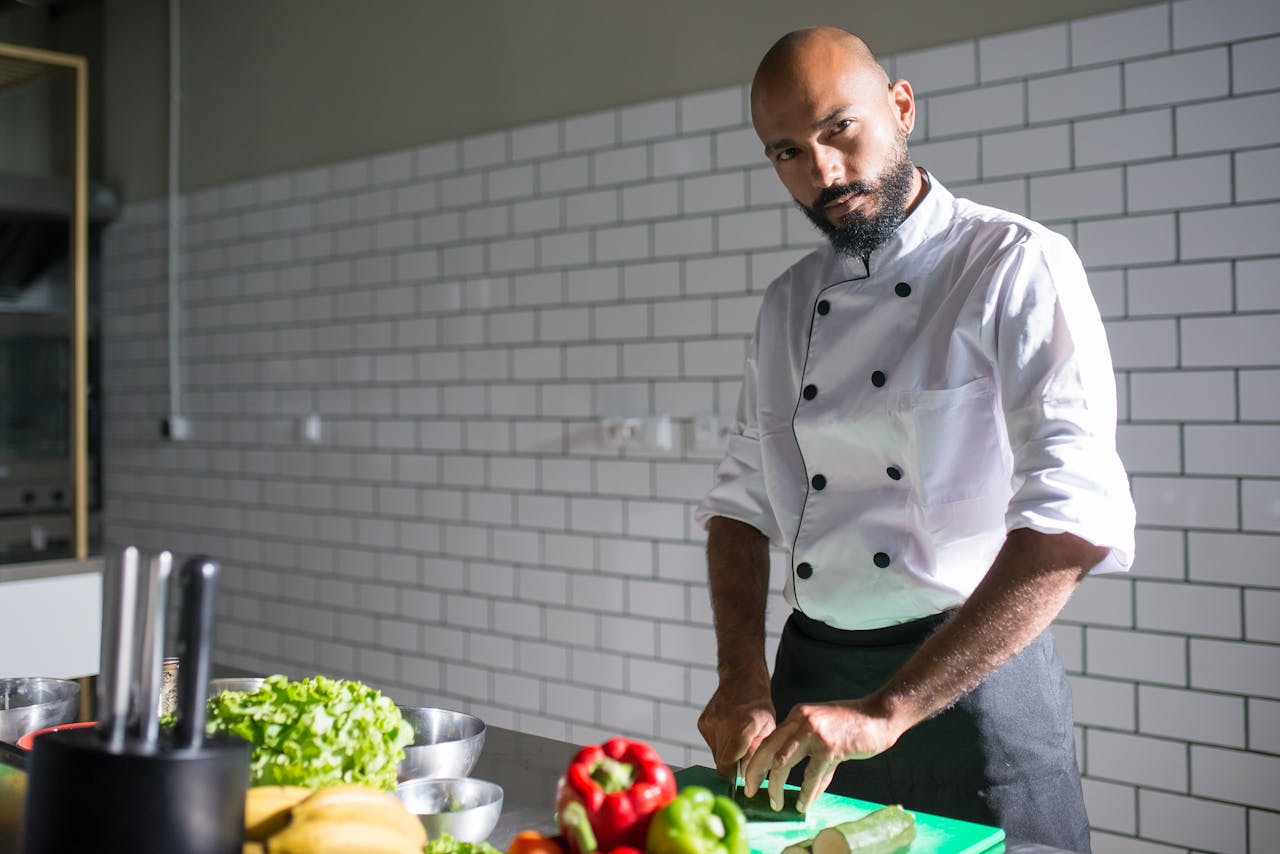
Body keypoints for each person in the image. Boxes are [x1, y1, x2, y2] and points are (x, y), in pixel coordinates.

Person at [694, 26, 1135, 852]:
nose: (821, 172)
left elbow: (1073, 517)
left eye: (839, 130)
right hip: (809, 691)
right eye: (787, 151)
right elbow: (739, 503)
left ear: (900, 107)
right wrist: (742, 678)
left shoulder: (1011, 264)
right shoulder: (789, 304)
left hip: (969, 690)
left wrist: (887, 710)